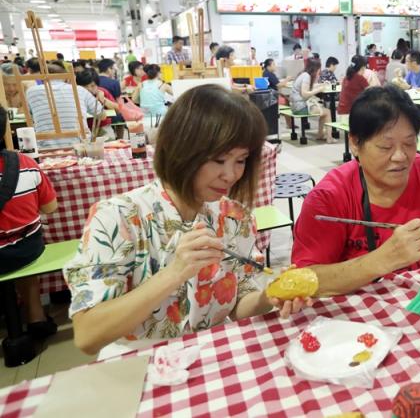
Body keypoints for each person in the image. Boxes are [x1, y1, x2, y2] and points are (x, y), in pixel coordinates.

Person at [64, 85, 310, 358]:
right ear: (181, 148)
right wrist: (175, 272)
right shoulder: (119, 217)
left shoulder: (234, 217)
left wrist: (269, 297)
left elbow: (238, 302)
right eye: (219, 159)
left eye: (240, 160)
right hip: (137, 362)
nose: (230, 175)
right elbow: (87, 335)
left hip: (209, 356)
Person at [291, 86, 420, 296]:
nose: (400, 156)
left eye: (409, 143)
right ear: (354, 143)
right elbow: (303, 279)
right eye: (385, 146)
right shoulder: (329, 198)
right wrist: (382, 260)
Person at [0, 106, 59, 340]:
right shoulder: (24, 163)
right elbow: (50, 208)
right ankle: (36, 317)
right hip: (26, 249)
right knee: (24, 243)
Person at [26, 64, 104, 149]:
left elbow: (29, 115)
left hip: (45, 148)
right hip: (80, 146)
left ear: (42, 77)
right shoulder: (79, 90)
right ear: (65, 77)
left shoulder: (31, 92)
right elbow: (102, 115)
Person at [290, 58, 334, 143]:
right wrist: (319, 89)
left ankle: (320, 135)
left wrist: (321, 85)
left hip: (295, 106)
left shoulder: (304, 74)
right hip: (301, 108)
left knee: (324, 112)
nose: (320, 71)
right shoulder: (307, 76)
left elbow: (309, 87)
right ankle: (329, 138)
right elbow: (305, 93)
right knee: (327, 112)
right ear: (315, 68)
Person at [76, 68, 120, 140]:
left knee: (110, 141)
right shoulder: (76, 94)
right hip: (85, 129)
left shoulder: (102, 91)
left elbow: (117, 108)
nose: (89, 89)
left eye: (93, 86)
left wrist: (103, 100)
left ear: (97, 85)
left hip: (103, 127)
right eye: (85, 86)